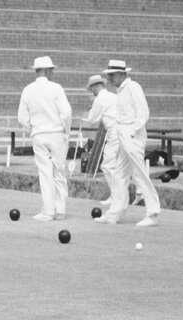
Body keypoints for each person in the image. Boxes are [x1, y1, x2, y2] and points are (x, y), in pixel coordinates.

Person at [102, 59, 161, 227]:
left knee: (139, 174)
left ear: (122, 74)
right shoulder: (121, 90)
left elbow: (143, 112)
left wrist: (133, 133)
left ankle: (153, 213)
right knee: (119, 175)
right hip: (123, 135)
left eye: (112, 75)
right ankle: (114, 214)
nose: (110, 79)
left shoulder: (133, 87)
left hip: (131, 136)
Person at [17, 56, 72, 220]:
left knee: (45, 172)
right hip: (57, 134)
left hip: (39, 134)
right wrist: (66, 131)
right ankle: (60, 210)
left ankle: (48, 211)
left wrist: (31, 127)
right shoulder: (56, 88)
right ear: (48, 71)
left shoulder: (28, 89)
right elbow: (67, 113)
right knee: (59, 172)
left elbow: (21, 117)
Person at [82, 73, 119, 211]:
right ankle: (119, 195)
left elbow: (92, 120)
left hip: (114, 133)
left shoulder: (99, 99)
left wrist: (88, 113)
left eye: (92, 89)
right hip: (121, 132)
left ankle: (117, 196)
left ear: (96, 86)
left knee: (107, 165)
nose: (92, 92)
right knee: (118, 165)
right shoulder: (114, 96)